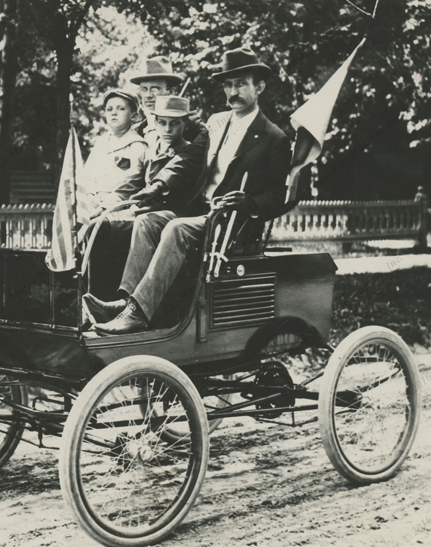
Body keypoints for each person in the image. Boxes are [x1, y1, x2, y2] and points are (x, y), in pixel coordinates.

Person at [86, 47, 292, 335]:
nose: (233, 91)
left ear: (259, 87)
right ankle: (124, 300)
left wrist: (251, 203)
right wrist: (157, 186)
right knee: (147, 221)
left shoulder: (274, 137)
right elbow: (188, 160)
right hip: (198, 211)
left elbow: (282, 195)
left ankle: (139, 313)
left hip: (231, 223)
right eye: (228, 85)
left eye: (241, 83)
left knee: (176, 229)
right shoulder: (216, 123)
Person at [84, 95, 205, 301]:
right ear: (155, 123)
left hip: (170, 215)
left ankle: (122, 299)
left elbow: (174, 181)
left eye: (174, 123)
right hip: (143, 210)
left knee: (109, 226)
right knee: (99, 226)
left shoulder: (188, 153)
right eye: (162, 123)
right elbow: (133, 183)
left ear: (185, 124)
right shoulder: (153, 149)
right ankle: (94, 298)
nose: (167, 130)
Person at [81, 89, 147, 219]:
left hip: (119, 206)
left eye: (121, 109)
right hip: (93, 202)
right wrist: (89, 195)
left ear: (134, 116)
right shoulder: (101, 143)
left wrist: (105, 206)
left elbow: (132, 183)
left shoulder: (136, 145)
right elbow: (87, 175)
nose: (114, 113)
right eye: (109, 109)